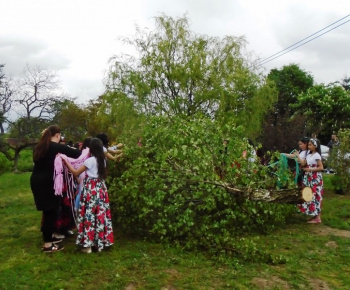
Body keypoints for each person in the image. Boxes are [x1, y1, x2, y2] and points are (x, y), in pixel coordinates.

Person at [30, 125, 81, 253]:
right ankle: (48, 245)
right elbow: (77, 154)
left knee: (48, 210)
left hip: (36, 180)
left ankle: (50, 236)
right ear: (57, 135)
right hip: (48, 182)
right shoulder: (56, 147)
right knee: (50, 211)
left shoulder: (40, 147)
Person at [63, 138, 114, 253]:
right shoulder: (103, 160)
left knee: (89, 215)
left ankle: (87, 245)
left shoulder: (90, 161)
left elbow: (76, 172)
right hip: (100, 189)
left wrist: (66, 161)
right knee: (100, 215)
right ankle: (99, 242)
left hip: (91, 189)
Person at [298, 138, 324, 223]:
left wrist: (310, 169)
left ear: (315, 146)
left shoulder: (317, 155)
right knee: (309, 194)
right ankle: (313, 214)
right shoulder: (308, 155)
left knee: (316, 195)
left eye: (310, 145)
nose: (308, 147)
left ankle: (318, 217)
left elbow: (321, 167)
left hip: (315, 177)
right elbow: (303, 163)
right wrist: (297, 156)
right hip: (309, 177)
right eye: (308, 145)